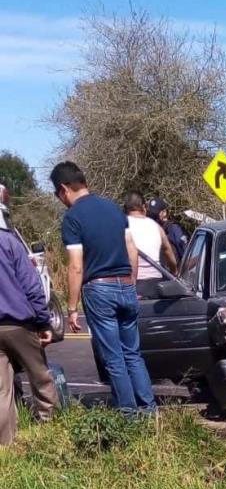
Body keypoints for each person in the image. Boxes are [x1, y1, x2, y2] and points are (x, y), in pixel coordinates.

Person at [50, 162, 156, 416]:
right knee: (133, 354)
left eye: (57, 194)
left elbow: (76, 266)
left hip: (99, 289)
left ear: (64, 188)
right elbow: (131, 249)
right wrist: (131, 281)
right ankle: (149, 410)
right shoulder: (113, 208)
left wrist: (72, 308)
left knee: (113, 358)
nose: (60, 199)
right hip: (125, 284)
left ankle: (129, 416)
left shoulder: (73, 218)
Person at [0, 187, 58, 445]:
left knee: (2, 391)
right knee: (41, 377)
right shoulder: (9, 242)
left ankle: (6, 446)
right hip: (19, 324)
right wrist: (43, 321)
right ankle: (50, 430)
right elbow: (32, 286)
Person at [123, 192, 178, 298]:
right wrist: (174, 272)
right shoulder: (156, 227)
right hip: (156, 284)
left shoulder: (122, 225)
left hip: (133, 283)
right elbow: (168, 251)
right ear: (143, 207)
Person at [147, 197, 188, 262]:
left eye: (155, 214)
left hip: (172, 271)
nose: (153, 217)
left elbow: (186, 253)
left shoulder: (174, 229)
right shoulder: (148, 230)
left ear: (164, 212)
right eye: (151, 214)